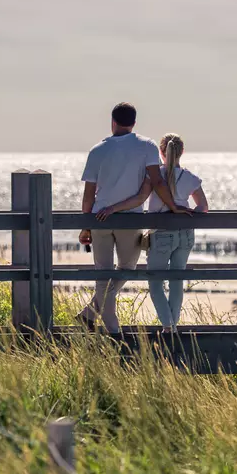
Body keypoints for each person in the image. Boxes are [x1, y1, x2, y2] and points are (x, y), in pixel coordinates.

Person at [77, 104, 189, 334]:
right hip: (130, 219)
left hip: (99, 218)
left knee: (104, 273)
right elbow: (157, 182)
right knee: (126, 268)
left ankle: (91, 314)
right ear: (134, 123)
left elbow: (89, 195)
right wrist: (174, 207)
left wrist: (85, 226)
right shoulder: (146, 146)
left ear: (112, 121)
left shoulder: (97, 150)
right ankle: (113, 332)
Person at [97, 133, 208, 332]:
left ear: (161, 152)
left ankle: (168, 326)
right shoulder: (190, 177)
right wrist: (187, 217)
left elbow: (139, 199)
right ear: (182, 152)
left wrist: (113, 208)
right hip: (186, 235)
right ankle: (171, 327)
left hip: (162, 234)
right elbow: (203, 207)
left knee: (155, 282)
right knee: (177, 281)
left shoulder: (155, 176)